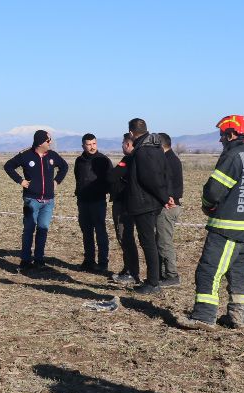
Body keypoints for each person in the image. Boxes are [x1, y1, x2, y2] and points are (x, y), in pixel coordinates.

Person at [179, 115, 244, 330]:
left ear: (232, 134)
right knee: (239, 274)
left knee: (208, 271)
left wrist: (207, 205)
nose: (220, 141)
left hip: (226, 227)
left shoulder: (232, 156)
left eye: (222, 135)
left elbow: (213, 191)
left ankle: (203, 317)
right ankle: (238, 316)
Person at [3, 130, 68, 269]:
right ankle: (25, 260)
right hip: (31, 200)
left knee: (43, 229)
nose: (50, 143)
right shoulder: (26, 156)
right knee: (28, 230)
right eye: (48, 140)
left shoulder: (52, 156)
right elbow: (8, 166)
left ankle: (39, 259)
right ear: (41, 142)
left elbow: (64, 167)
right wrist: (20, 181)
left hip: (48, 201)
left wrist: (57, 181)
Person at [124, 118, 173, 295]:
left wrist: (164, 196)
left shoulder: (142, 151)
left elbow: (148, 178)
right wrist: (166, 195)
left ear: (131, 133)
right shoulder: (157, 148)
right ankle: (154, 279)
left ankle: (153, 282)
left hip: (144, 203)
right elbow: (165, 173)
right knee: (151, 241)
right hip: (154, 202)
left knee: (148, 243)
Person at [74, 133, 112, 272]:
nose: (92, 147)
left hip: (98, 202)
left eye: (94, 143)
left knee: (100, 232)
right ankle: (89, 260)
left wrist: (100, 190)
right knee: (86, 232)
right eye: (89, 144)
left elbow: (110, 179)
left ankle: (103, 263)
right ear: (83, 146)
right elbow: (78, 177)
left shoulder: (103, 160)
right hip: (83, 202)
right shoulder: (79, 160)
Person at [107, 133, 141, 285]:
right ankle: (128, 269)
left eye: (122, 143)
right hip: (128, 203)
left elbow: (112, 176)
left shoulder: (129, 159)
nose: (121, 145)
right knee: (125, 238)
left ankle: (131, 273)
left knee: (125, 237)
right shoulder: (137, 158)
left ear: (128, 144)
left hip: (125, 205)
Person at [157, 132, 183, 287]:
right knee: (161, 241)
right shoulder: (170, 159)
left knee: (165, 242)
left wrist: (168, 198)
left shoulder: (169, 160)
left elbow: (169, 186)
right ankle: (162, 274)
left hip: (169, 206)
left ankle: (172, 275)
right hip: (168, 204)